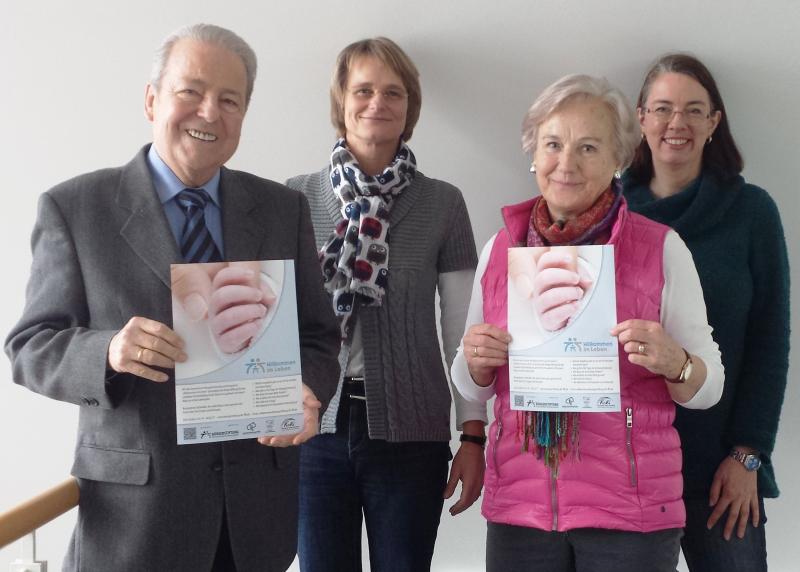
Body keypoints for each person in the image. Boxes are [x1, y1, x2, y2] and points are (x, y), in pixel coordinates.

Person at [4, 23, 340, 572]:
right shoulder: (76, 207)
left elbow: (320, 337)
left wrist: (308, 390)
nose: (209, 112)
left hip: (255, 517)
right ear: (152, 99)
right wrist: (108, 351)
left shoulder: (282, 209)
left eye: (229, 100)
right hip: (135, 518)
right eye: (192, 91)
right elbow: (30, 347)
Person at [451, 74, 725, 572]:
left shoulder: (661, 248)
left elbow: (710, 385)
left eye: (589, 147)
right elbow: (471, 384)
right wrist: (474, 362)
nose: (567, 163)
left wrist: (676, 363)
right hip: (522, 514)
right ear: (533, 152)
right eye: (553, 144)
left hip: (631, 515)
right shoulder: (499, 251)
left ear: (619, 158)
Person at [286, 37, 487, 571]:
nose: (377, 103)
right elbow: (274, 323)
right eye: (364, 89)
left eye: (392, 92)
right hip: (312, 432)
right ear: (342, 102)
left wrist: (473, 434)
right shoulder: (294, 199)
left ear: (409, 109)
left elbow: (461, 333)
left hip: (411, 434)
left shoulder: (444, 203)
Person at [623, 53, 790, 572]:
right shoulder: (608, 212)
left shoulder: (751, 212)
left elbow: (770, 343)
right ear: (641, 117)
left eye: (694, 110)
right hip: (624, 471)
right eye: (664, 109)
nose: (678, 124)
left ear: (714, 122)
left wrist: (748, 456)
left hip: (722, 473)